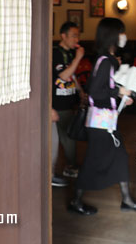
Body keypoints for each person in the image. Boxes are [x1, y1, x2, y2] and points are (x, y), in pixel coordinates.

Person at [69, 18, 136, 215]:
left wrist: (121, 96)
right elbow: (96, 92)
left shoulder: (106, 59)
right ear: (112, 35)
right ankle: (76, 201)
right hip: (101, 125)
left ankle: (127, 200)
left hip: (104, 122)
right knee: (94, 162)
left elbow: (101, 90)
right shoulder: (106, 62)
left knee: (120, 157)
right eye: (121, 32)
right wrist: (119, 92)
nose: (124, 36)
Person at [52, 21, 85, 186]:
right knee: (67, 138)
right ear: (63, 36)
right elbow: (63, 76)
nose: (76, 39)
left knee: (70, 136)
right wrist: (79, 58)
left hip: (69, 101)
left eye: (77, 36)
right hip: (57, 104)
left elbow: (72, 76)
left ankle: (70, 166)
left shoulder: (70, 54)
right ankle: (70, 167)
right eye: (73, 35)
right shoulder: (55, 53)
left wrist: (80, 92)